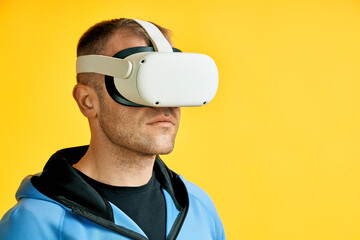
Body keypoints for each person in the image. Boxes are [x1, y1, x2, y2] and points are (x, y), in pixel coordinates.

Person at [0, 18, 225, 240]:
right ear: (87, 101)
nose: (163, 104)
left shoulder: (199, 208)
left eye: (172, 83)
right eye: (141, 83)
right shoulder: (34, 223)